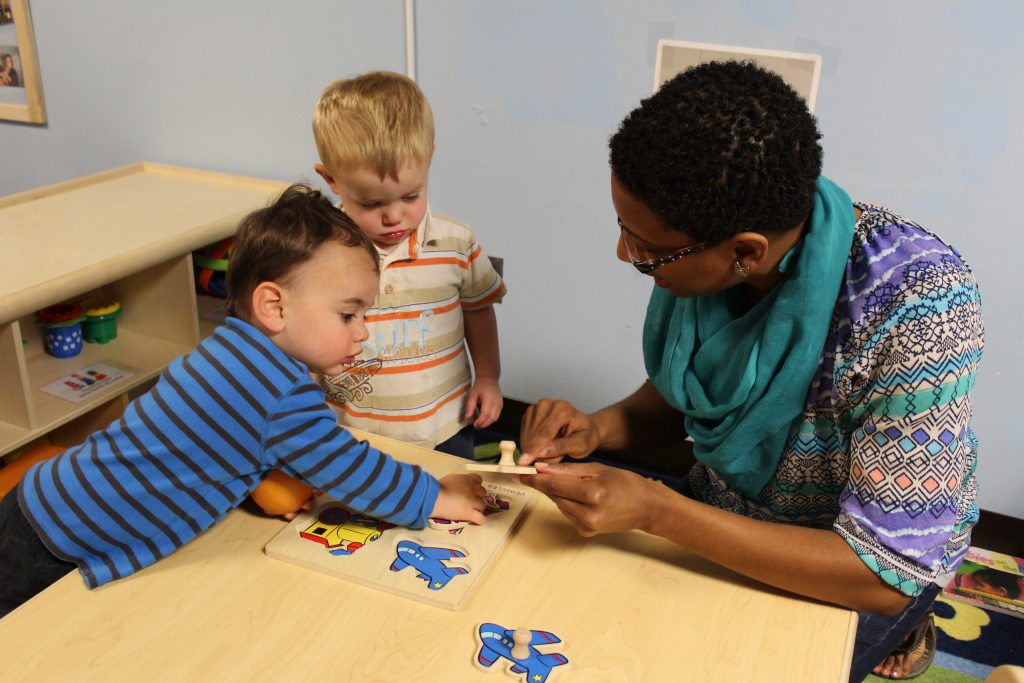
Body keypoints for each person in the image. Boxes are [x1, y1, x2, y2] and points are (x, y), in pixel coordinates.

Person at [518, 61, 983, 682]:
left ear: (744, 252)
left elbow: (882, 571)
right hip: (726, 512)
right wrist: (598, 429)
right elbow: (695, 391)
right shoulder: (716, 250)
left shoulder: (917, 306)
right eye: (626, 231)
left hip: (848, 562)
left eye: (647, 250)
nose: (624, 254)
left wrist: (659, 511)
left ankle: (909, 627)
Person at [0, 185, 488, 618]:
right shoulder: (279, 392)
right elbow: (351, 469)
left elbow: (228, 445)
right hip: (59, 537)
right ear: (274, 306)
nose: (363, 332)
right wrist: (436, 496)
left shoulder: (230, 349)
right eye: (348, 315)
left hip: (45, 498)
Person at [311, 71, 506, 459]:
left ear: (429, 159)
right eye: (372, 204)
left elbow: (478, 312)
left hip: (445, 426)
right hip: (350, 428)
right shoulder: (315, 250)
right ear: (331, 179)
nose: (394, 217)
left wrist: (488, 375)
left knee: (453, 511)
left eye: (411, 196)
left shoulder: (456, 242)